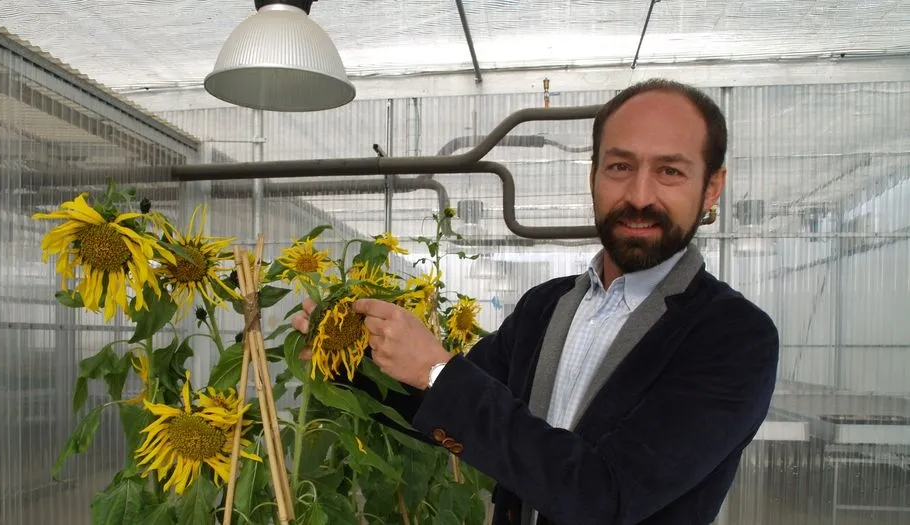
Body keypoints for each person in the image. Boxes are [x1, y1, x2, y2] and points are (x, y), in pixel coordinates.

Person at [292, 78, 779, 525]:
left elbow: (603, 495)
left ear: (711, 187)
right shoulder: (547, 306)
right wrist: (348, 359)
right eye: (620, 166)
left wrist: (436, 371)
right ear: (593, 175)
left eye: (669, 170)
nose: (638, 195)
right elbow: (438, 407)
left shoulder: (732, 337)